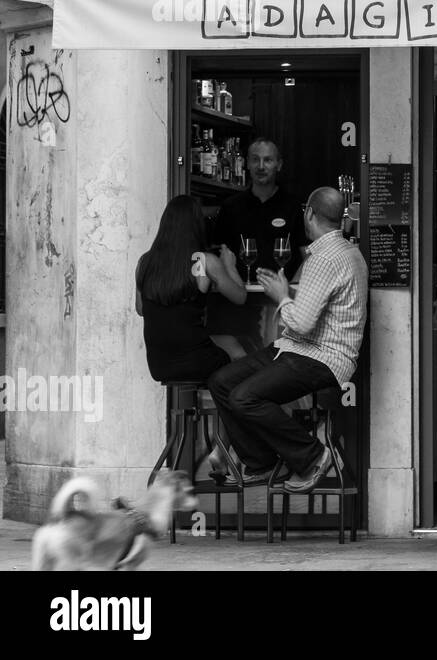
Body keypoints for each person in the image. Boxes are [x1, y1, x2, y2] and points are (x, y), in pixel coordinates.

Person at [208, 187, 367, 492]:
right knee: (222, 381)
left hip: (322, 357)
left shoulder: (323, 259)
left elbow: (303, 324)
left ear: (308, 213)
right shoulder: (350, 252)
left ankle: (311, 456)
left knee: (244, 397)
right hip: (297, 349)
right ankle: (260, 462)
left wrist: (281, 296)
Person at [135, 195, 247, 383]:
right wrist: (230, 265)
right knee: (238, 350)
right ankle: (234, 408)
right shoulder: (203, 260)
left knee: (226, 342)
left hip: (159, 365)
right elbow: (240, 296)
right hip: (197, 360)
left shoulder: (145, 262)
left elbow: (140, 309)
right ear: (197, 225)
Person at [216, 137, 308, 280]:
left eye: (268, 160)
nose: (261, 166)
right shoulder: (230, 207)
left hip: (282, 297)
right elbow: (220, 256)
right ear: (247, 163)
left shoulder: (293, 206)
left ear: (279, 165)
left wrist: (290, 292)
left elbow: (308, 257)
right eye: (255, 159)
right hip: (241, 297)